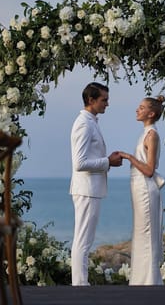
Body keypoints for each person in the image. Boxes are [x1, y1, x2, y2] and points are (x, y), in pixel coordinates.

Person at [69, 82, 123, 286]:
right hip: (86, 190)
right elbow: (79, 163)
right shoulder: (83, 124)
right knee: (82, 241)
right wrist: (108, 161)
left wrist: (108, 161)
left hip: (90, 189)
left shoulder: (91, 122)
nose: (107, 104)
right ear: (91, 100)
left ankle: (80, 284)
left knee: (84, 240)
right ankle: (80, 286)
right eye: (104, 100)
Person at [119, 95, 165, 285]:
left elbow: (149, 170)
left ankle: (150, 281)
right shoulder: (145, 133)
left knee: (147, 236)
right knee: (140, 235)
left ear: (151, 113)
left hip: (146, 191)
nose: (137, 110)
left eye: (141, 107)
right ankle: (139, 280)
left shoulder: (152, 135)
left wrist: (129, 157)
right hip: (139, 191)